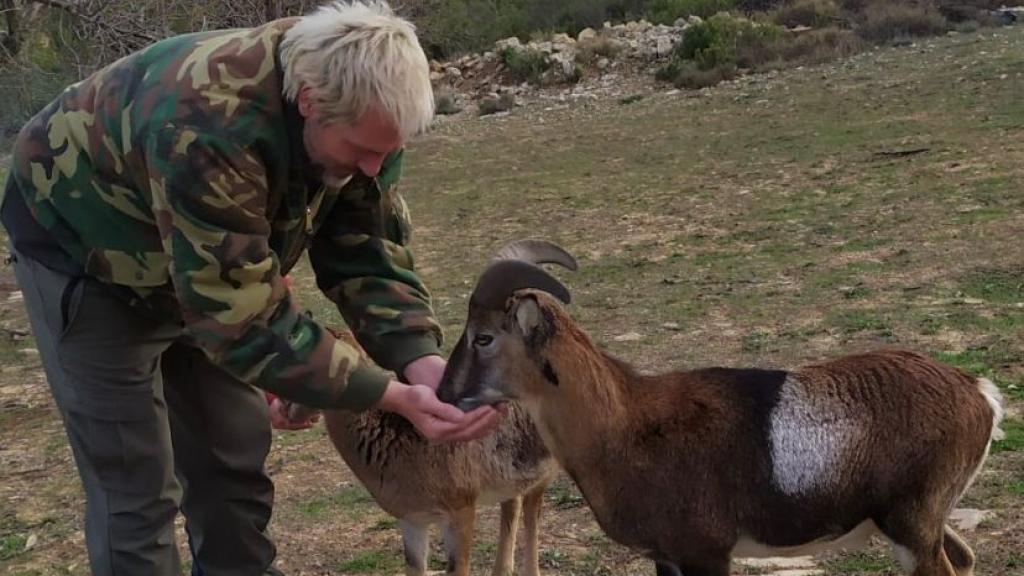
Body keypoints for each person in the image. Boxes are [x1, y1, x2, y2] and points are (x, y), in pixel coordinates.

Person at [0, 2, 501, 574]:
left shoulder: (369, 114)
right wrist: (386, 394)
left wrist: (422, 363)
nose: (372, 167)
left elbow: (366, 253)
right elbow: (240, 320)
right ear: (309, 102)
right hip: (85, 256)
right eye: (362, 150)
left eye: (386, 152)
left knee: (231, 463)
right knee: (136, 490)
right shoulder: (210, 124)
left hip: (209, 265)